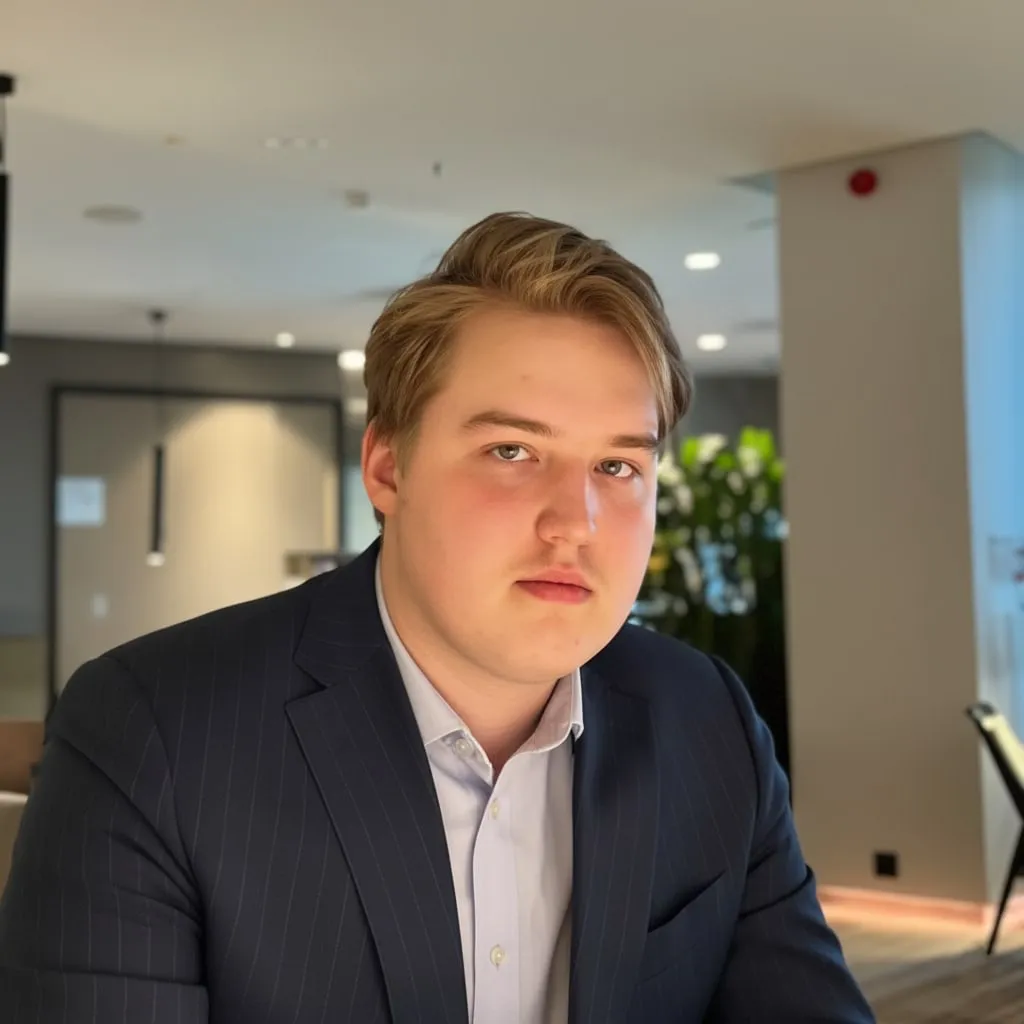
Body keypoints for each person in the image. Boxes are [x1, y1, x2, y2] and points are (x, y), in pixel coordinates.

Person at [0, 212, 874, 1023]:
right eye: (512, 450)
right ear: (388, 467)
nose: (576, 523)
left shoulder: (706, 719)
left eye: (617, 467)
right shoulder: (156, 733)